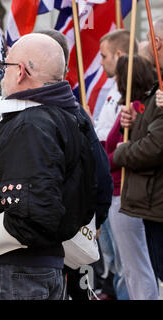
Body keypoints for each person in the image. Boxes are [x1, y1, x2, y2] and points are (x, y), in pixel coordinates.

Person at [0, 29, 113, 300]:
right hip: (41, 269)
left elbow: (33, 215)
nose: (2, 75)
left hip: (15, 274)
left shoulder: (33, 124)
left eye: (6, 65)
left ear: (20, 71)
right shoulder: (69, 117)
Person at [114, 17, 163, 298]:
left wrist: (121, 151)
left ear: (156, 43)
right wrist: (134, 120)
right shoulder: (156, 89)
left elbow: (154, 147)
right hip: (152, 202)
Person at [107, 55, 157, 300]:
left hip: (124, 191)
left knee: (136, 266)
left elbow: (120, 152)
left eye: (118, 75)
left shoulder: (138, 107)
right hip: (124, 192)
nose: (114, 79)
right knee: (131, 266)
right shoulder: (136, 107)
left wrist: (104, 158)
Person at [93, 30, 138, 300]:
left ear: (120, 56)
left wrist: (105, 159)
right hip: (106, 181)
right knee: (110, 254)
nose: (100, 62)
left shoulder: (132, 94)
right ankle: (110, 288)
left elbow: (118, 143)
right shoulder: (111, 89)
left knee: (127, 262)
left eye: (104, 56)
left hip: (121, 185)